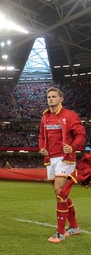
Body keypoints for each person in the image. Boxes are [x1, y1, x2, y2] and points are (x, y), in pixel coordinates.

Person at [38, 87, 86, 243]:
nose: (50, 99)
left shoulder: (70, 115)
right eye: (48, 97)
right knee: (61, 194)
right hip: (50, 159)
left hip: (65, 158)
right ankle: (74, 227)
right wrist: (42, 148)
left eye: (53, 97)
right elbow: (41, 136)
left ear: (61, 99)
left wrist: (72, 147)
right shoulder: (45, 117)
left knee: (60, 192)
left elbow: (81, 134)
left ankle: (60, 232)